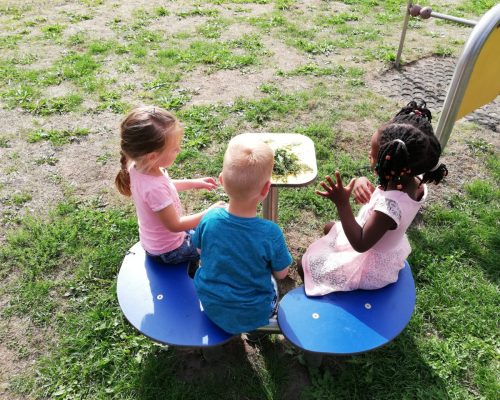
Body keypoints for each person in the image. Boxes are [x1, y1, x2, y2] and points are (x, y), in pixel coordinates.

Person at [301, 100, 448, 295]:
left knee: (306, 266)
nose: (368, 156)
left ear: (390, 165)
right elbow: (387, 189)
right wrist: (362, 180)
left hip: (369, 264)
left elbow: (361, 244)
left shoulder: (389, 208)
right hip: (385, 245)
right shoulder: (414, 179)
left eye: (372, 154)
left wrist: (342, 203)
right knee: (330, 227)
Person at [193, 135, 292, 334]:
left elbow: (199, 250)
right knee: (272, 283)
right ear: (266, 189)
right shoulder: (270, 233)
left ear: (221, 180)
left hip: (211, 304)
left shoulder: (208, 218)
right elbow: (282, 274)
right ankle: (263, 329)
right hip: (254, 313)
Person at [115, 106, 224, 270]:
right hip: (169, 250)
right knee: (215, 243)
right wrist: (210, 211)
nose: (179, 150)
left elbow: (167, 187)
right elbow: (175, 225)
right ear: (152, 156)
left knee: (207, 225)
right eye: (174, 148)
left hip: (158, 242)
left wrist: (194, 183)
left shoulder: (139, 167)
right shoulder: (153, 188)